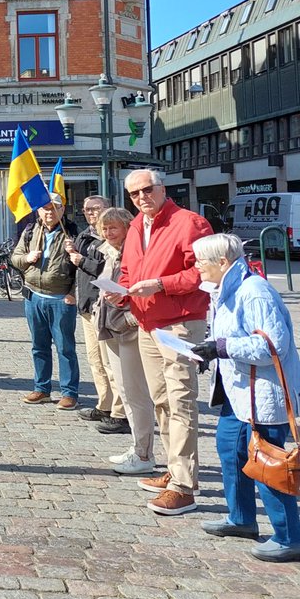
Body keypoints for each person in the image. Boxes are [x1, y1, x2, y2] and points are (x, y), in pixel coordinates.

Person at [189, 234, 300, 562]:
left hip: (261, 395)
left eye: (200, 262)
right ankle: (241, 519)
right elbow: (227, 334)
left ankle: (289, 536)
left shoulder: (254, 292)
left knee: (267, 464)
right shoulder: (226, 288)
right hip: (237, 393)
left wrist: (221, 348)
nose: (196, 268)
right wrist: (209, 351)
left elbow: (271, 347)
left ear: (222, 263)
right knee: (230, 450)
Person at [115, 168, 213, 516]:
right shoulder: (135, 227)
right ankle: (175, 469)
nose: (142, 197)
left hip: (180, 324)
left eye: (147, 190)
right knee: (161, 401)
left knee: (181, 400)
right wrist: (121, 294)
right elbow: (128, 272)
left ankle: (184, 487)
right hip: (148, 324)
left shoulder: (189, 223)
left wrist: (161, 284)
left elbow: (205, 271)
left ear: (162, 188)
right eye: (134, 194)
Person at [92, 207, 159, 476]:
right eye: (104, 228)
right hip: (111, 325)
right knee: (125, 390)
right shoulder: (107, 252)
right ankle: (138, 447)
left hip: (130, 328)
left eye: (113, 228)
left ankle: (143, 452)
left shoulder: (138, 252)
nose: (108, 233)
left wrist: (131, 317)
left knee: (136, 392)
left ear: (127, 228)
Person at [12, 194, 81, 410]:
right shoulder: (31, 231)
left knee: (65, 347)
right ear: (38, 211)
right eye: (45, 208)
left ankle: (69, 392)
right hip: (34, 296)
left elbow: (83, 269)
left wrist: (73, 292)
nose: (49, 212)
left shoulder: (73, 233)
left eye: (54, 208)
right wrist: (27, 258)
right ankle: (41, 388)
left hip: (61, 299)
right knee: (39, 346)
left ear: (62, 210)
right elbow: (15, 258)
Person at [69, 196, 129, 432]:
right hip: (88, 304)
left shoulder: (113, 241)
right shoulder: (84, 235)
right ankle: (104, 403)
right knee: (96, 360)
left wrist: (81, 260)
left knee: (112, 363)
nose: (90, 213)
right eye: (86, 210)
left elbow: (106, 272)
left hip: (107, 307)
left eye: (95, 209)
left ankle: (120, 411)